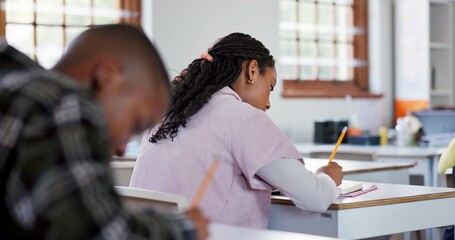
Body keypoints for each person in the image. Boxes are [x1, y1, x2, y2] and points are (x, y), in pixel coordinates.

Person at [0, 24, 208, 240]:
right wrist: (185, 229)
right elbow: (94, 230)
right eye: (135, 125)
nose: (121, 149)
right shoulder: (62, 103)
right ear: (107, 76)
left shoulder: (14, 83)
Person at [130, 32, 343, 228]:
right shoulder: (243, 118)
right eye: (270, 86)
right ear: (252, 71)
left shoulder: (167, 114)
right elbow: (315, 197)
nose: (268, 103)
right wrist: (327, 177)